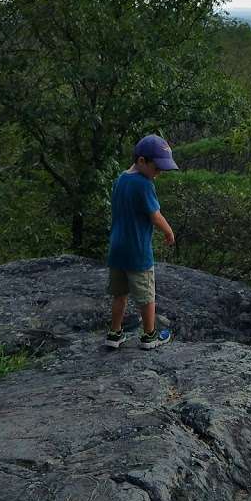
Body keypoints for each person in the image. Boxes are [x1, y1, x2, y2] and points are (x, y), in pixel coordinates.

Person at [104, 134, 178, 350]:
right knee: (147, 296)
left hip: (117, 248)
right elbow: (155, 215)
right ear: (141, 161)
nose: (159, 173)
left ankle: (114, 333)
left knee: (120, 294)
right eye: (157, 168)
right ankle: (149, 336)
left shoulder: (120, 180)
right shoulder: (144, 184)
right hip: (137, 250)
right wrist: (168, 231)